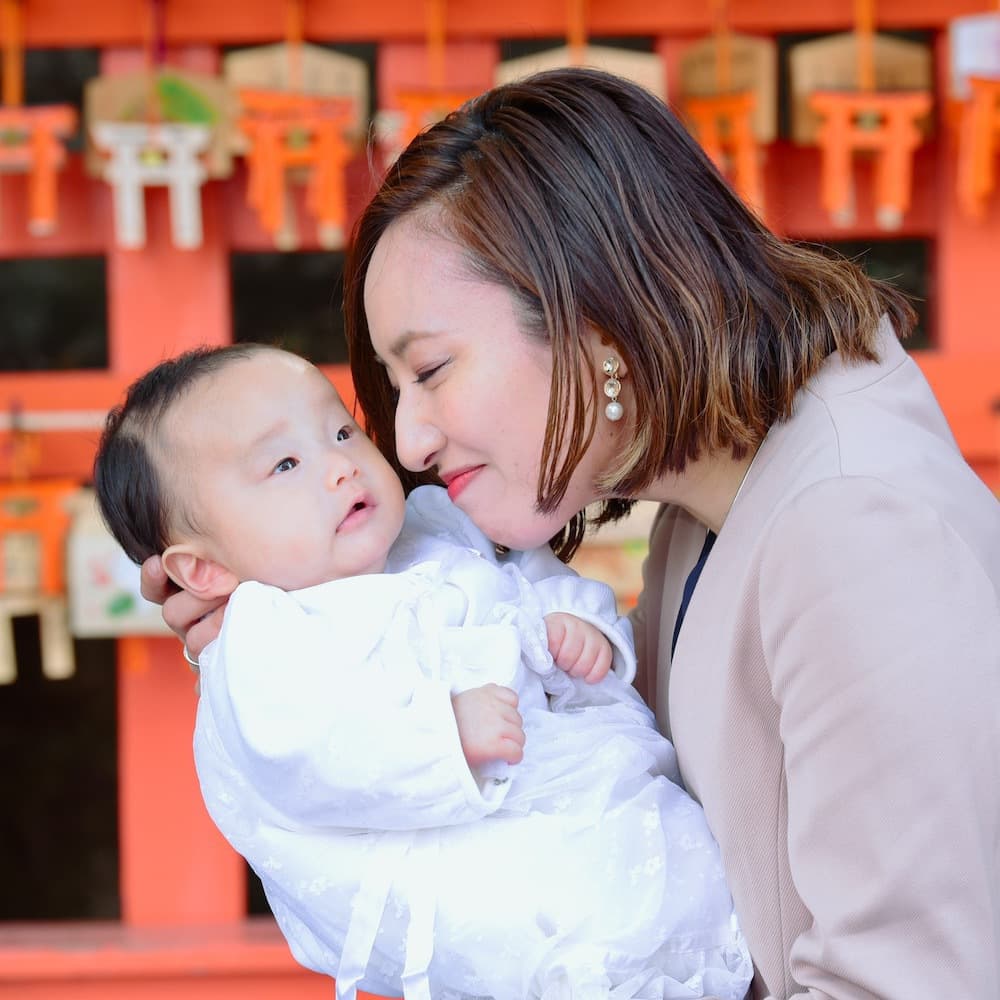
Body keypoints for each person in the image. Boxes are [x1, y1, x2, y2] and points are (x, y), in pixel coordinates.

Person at [140, 68, 1000, 999]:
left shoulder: (856, 528)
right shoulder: (715, 496)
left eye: (428, 370)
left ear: (593, 316)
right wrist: (307, 641)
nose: (412, 443)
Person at [97, 343, 753, 1000]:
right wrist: (444, 733)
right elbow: (311, 752)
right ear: (204, 571)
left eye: (342, 432)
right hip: (495, 875)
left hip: (600, 797)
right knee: (577, 936)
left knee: (679, 888)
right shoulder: (266, 639)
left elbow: (534, 575)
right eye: (286, 463)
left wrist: (575, 622)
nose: (340, 467)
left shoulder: (437, 527)